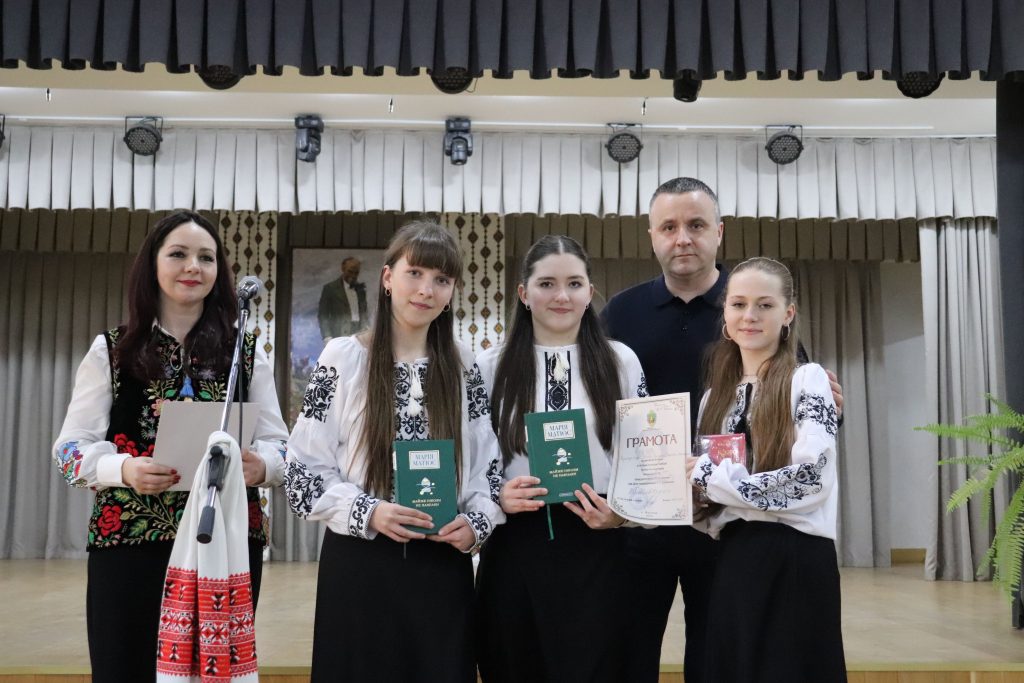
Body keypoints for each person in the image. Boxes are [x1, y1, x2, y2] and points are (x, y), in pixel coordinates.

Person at [602, 177, 844, 683]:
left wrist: (828, 406)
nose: (682, 238)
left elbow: (795, 416)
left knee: (721, 661)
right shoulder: (620, 312)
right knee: (627, 654)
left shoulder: (753, 299)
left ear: (719, 231)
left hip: (732, 530)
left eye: (696, 225)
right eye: (669, 227)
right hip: (647, 519)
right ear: (651, 236)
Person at [52, 210, 288, 683]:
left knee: (214, 674)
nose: (193, 267)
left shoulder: (245, 353)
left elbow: (283, 447)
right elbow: (68, 451)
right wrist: (123, 469)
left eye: (206, 257)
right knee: (127, 667)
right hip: (131, 541)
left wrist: (261, 466)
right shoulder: (112, 350)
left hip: (223, 542)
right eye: (178, 254)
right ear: (152, 265)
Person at [284, 221, 504, 683]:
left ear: (452, 292)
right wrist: (370, 512)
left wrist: (476, 522)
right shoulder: (342, 358)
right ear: (387, 277)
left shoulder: (463, 364)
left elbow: (487, 466)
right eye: (415, 273)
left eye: (441, 279)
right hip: (360, 563)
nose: (426, 290)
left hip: (442, 565)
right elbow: (303, 471)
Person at [475, 235, 647, 682]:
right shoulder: (489, 367)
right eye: (547, 284)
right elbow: (471, 460)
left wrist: (622, 513)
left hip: (600, 545)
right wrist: (497, 496)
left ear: (590, 293)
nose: (562, 296)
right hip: (516, 546)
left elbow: (645, 460)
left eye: (574, 284)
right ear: (523, 293)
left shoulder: (621, 362)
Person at [691, 256, 846, 682]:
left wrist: (711, 479)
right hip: (734, 557)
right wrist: (678, 494)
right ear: (725, 314)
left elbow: (811, 480)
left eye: (765, 305)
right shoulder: (713, 399)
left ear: (788, 314)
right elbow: (708, 502)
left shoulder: (808, 379)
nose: (750, 316)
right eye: (739, 304)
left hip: (794, 557)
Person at [318, 255, 368, 341]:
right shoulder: (330, 288)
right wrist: (327, 336)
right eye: (350, 271)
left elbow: (363, 312)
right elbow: (323, 315)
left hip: (359, 333)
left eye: (356, 273)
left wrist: (365, 329)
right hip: (339, 332)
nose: (353, 275)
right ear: (343, 269)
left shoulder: (361, 290)